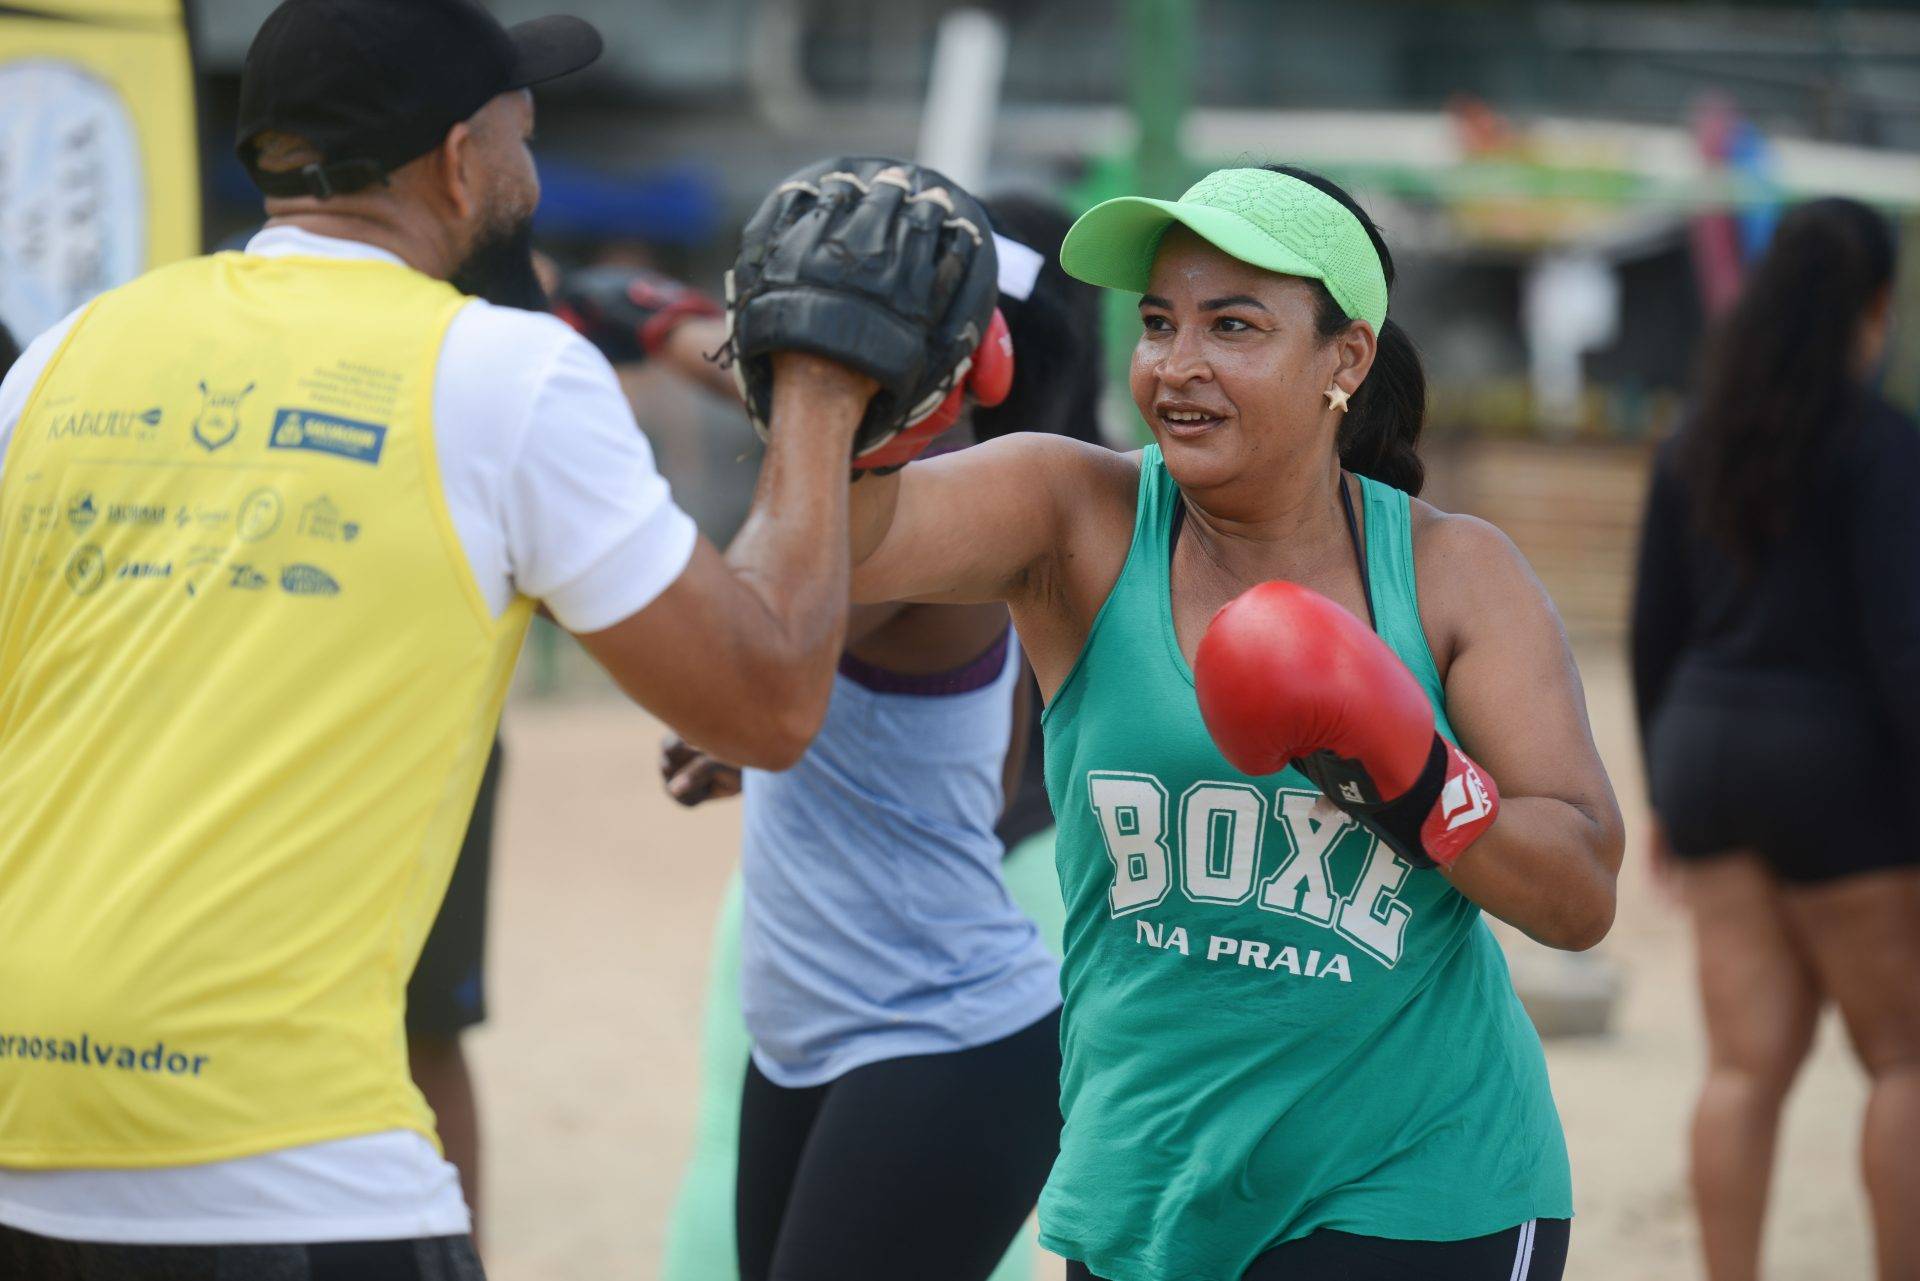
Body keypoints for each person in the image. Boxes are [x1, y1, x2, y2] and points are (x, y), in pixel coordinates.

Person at [0, 3, 979, 1277]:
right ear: (460, 160)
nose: (531, 156)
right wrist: (821, 385)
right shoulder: (501, 375)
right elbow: (769, 703)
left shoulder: (70, 352)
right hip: (276, 1168)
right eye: (523, 125)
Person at [836, 164, 1626, 1281]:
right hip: (1151, 1193)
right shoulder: (1078, 517)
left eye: (1234, 325)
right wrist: (858, 387)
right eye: (1158, 323)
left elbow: (1582, 888)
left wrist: (1415, 780)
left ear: (1344, 360)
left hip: (1418, 1186)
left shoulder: (1453, 575)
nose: (1177, 366)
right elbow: (838, 542)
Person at [562, 195, 1100, 1281]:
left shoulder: (934, 517)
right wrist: (669, 327)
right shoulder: (888, 476)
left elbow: (747, 657)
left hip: (939, 1041)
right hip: (811, 1026)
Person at [1630, 197, 1919, 1281]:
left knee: (1743, 1070)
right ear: (1875, 307)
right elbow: (1904, 643)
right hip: (1839, 764)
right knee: (1904, 1064)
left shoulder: (1693, 443)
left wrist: (1666, 789)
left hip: (1708, 752)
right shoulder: (1884, 446)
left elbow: (1654, 627)